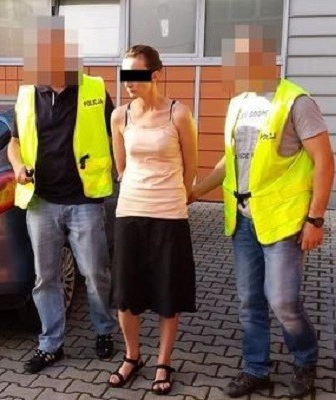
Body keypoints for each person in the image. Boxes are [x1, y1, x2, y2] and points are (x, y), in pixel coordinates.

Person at [190, 25, 335, 398]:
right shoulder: (239, 102)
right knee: (249, 301)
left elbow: (324, 160)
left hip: (283, 220)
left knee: (283, 301)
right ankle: (256, 369)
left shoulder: (296, 101)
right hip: (243, 221)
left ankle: (305, 359)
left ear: (268, 58)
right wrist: (196, 191)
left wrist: (316, 219)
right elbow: (230, 161)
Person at [7, 15, 118, 373]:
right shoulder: (27, 94)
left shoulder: (95, 89)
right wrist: (16, 166)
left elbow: (117, 134)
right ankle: (50, 344)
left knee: (96, 273)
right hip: (41, 201)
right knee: (46, 278)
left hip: (85, 199)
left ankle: (104, 331)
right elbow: (14, 142)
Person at [107, 45, 198, 396]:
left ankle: (163, 362)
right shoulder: (120, 117)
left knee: (166, 291)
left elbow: (190, 167)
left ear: (156, 74)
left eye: (136, 74)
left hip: (169, 213)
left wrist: (177, 194)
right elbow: (121, 167)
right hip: (130, 210)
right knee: (125, 292)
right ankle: (132, 356)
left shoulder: (179, 113)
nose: (129, 82)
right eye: (125, 74)